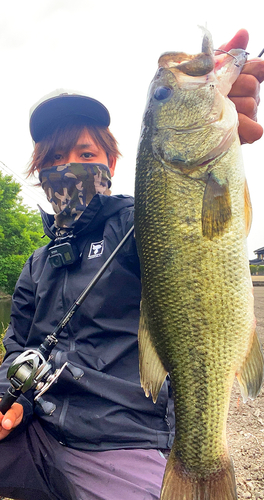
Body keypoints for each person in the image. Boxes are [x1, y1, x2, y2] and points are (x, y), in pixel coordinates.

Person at [0, 30, 263, 500]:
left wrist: (224, 138)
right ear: (40, 174)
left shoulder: (141, 224)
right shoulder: (36, 266)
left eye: (86, 154)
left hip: (122, 444)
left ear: (112, 163)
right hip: (38, 434)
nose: (70, 168)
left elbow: (195, 228)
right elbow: (17, 347)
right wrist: (11, 399)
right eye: (56, 158)